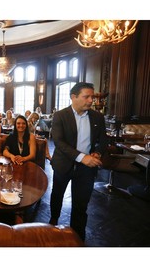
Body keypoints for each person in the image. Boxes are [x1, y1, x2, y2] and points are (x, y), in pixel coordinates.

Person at [49, 82, 108, 241]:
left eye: (92, 97)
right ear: (73, 97)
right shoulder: (60, 116)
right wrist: (83, 157)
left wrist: (97, 153)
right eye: (86, 97)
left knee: (81, 205)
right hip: (63, 164)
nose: (91, 100)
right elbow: (59, 143)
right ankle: (53, 222)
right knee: (57, 195)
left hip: (87, 169)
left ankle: (77, 237)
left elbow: (103, 141)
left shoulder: (98, 117)